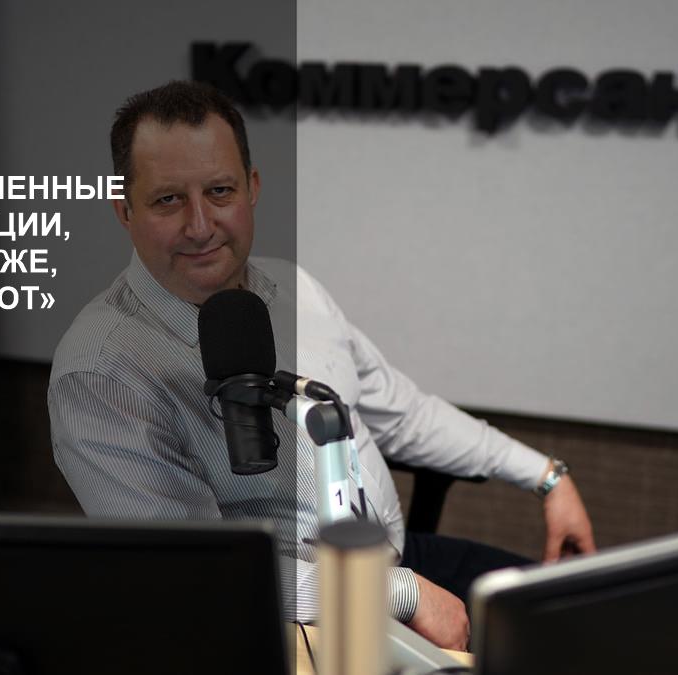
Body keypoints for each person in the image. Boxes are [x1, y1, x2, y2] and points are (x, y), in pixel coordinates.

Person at [48, 80, 595, 650]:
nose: (201, 225)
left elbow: (401, 412)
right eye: (168, 200)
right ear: (124, 209)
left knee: (577, 623)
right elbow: (202, 569)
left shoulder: (292, 286)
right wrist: (400, 595)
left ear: (252, 187)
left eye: (219, 191)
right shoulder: (100, 373)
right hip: (289, 617)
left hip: (399, 563)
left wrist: (546, 476)